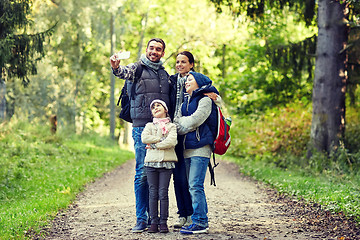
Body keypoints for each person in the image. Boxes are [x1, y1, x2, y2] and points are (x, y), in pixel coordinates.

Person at [110, 38, 171, 233]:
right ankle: (141, 218)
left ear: (162, 53)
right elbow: (123, 72)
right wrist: (116, 67)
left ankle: (158, 219)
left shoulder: (164, 74)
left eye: (158, 49)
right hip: (142, 128)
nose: (154, 51)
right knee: (143, 172)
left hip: (163, 129)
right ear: (146, 49)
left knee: (159, 172)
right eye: (151, 48)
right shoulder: (137, 68)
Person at [174, 71, 219, 234]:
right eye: (186, 80)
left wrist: (185, 123)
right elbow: (176, 124)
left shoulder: (206, 100)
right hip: (187, 149)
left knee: (195, 185)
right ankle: (201, 220)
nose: (186, 82)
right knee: (192, 185)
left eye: (190, 80)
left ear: (199, 83)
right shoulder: (184, 102)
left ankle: (200, 222)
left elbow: (195, 120)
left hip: (201, 147)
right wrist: (186, 124)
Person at [141, 99, 178, 233]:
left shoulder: (171, 126)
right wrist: (162, 139)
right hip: (151, 163)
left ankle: (163, 222)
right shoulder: (149, 126)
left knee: (163, 193)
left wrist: (155, 145)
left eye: (158, 105)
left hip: (166, 163)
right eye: (153, 107)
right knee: (152, 193)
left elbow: (172, 141)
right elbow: (144, 138)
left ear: (165, 109)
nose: (155, 108)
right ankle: (153, 222)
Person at [168, 51, 195, 228]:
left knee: (189, 178)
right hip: (173, 134)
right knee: (177, 177)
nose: (180, 65)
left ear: (191, 64)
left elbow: (214, 93)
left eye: (183, 62)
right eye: (177, 62)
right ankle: (182, 215)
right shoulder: (170, 81)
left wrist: (213, 95)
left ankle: (192, 215)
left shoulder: (196, 81)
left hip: (191, 134)